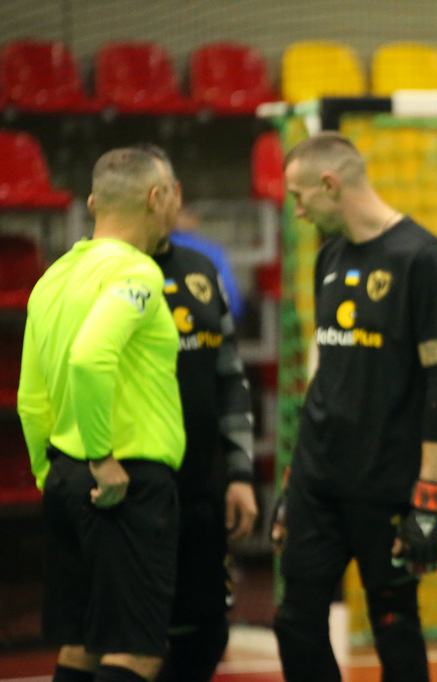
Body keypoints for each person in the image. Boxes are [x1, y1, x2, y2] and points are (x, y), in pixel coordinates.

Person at [272, 132, 437, 681]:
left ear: (330, 185)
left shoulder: (422, 258)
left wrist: (429, 499)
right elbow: (326, 375)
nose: (298, 211)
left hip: (387, 486)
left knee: (394, 625)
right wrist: (293, 482)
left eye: (300, 196)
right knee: (295, 622)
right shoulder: (328, 255)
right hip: (318, 482)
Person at [17, 147, 185, 682]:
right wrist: (101, 457)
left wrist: (50, 475)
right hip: (124, 483)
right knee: (135, 652)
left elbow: (30, 399)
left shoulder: (53, 278)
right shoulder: (137, 274)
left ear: (93, 204)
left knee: (82, 645)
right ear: (155, 198)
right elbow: (91, 357)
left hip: (65, 477)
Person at [140, 146, 259, 682]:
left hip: (203, 489)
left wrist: (239, 474)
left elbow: (229, 376)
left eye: (171, 191)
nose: (168, 202)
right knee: (132, 641)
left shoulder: (201, 268)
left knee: (206, 633)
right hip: (134, 491)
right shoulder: (103, 274)